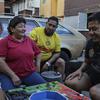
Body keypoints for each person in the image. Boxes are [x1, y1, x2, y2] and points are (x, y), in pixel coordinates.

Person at [0, 16, 46, 91]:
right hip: (8, 75)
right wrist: (13, 76)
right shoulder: (4, 42)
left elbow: (38, 53)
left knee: (45, 88)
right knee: (10, 94)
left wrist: (38, 66)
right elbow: (1, 61)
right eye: (20, 27)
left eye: (24, 26)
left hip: (29, 73)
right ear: (12, 29)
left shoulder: (28, 39)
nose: (24, 29)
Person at [65, 12, 100, 100]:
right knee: (70, 82)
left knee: (95, 92)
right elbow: (87, 61)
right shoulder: (90, 43)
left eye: (95, 29)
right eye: (89, 29)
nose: (91, 33)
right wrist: (80, 70)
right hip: (93, 76)